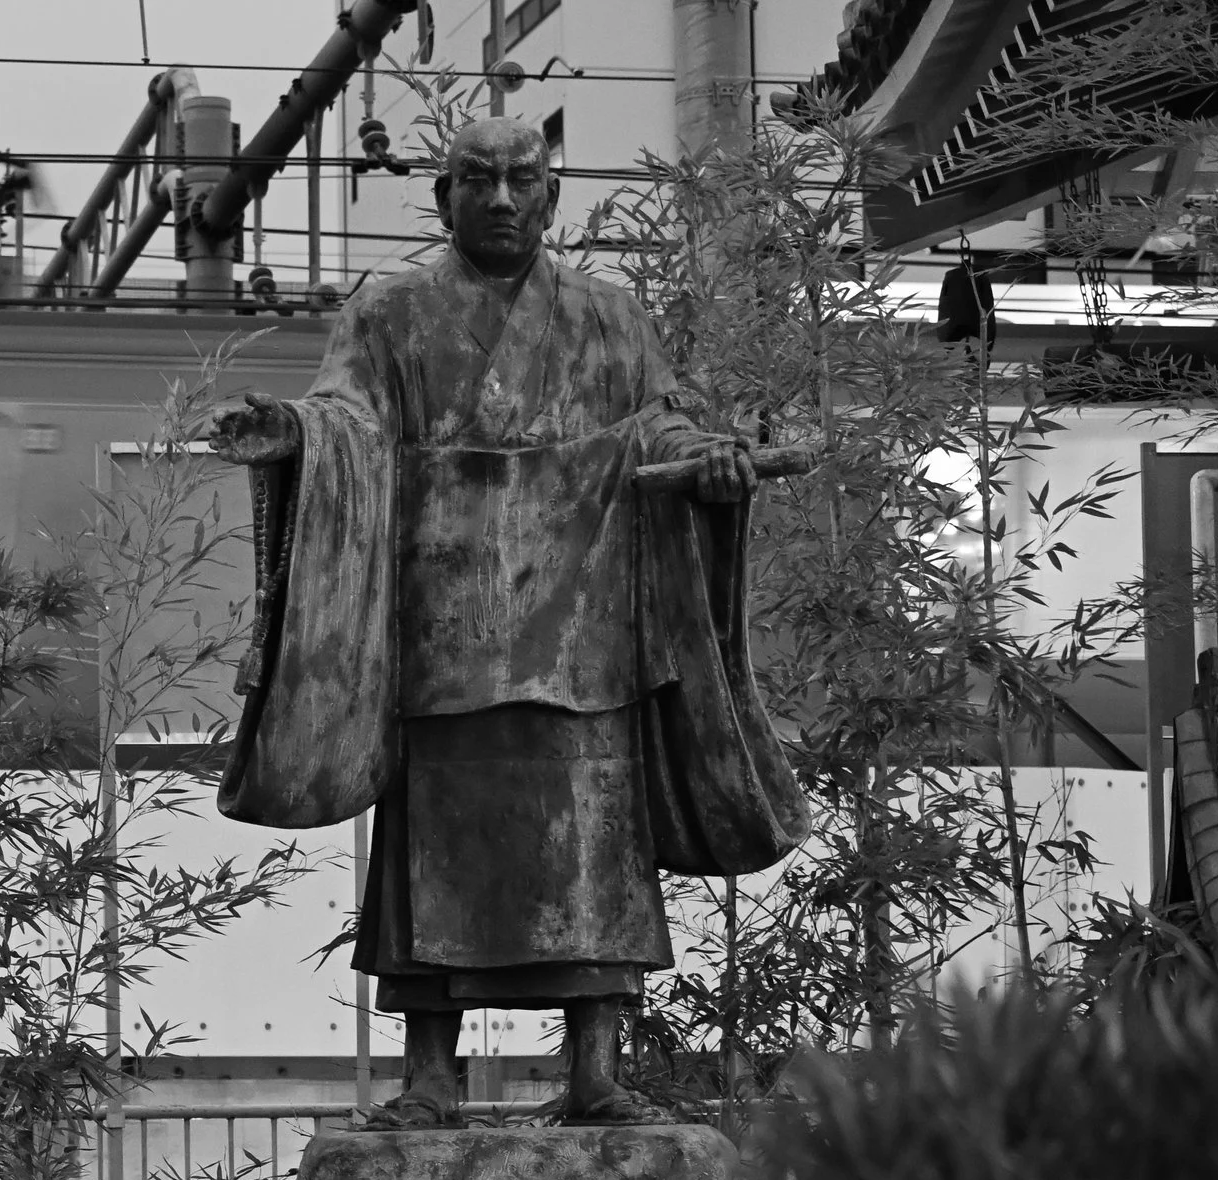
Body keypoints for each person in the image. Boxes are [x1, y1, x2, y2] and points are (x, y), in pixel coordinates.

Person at [204, 116, 807, 1127]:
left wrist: (711, 459)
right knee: (435, 844)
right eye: (475, 181)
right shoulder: (390, 312)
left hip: (584, 621)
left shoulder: (610, 317)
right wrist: (295, 433)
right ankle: (430, 1075)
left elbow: (662, 421)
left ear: (549, 195)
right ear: (442, 199)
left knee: (595, 844)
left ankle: (596, 1071)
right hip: (442, 618)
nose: (498, 199)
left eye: (519, 181)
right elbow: (347, 415)